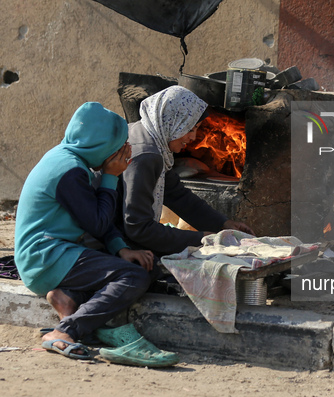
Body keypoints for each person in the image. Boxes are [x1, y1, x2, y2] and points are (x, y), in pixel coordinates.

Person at [15, 102, 155, 359]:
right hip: (44, 258)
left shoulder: (67, 157)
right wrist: (111, 176)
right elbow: (98, 223)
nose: (123, 152)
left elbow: (94, 218)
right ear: (101, 146)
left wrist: (120, 249)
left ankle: (66, 298)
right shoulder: (70, 171)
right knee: (134, 277)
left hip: (52, 254)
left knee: (116, 265)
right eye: (117, 147)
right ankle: (65, 331)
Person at [117, 85, 254, 256]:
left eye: (196, 129)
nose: (192, 138)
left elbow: (177, 195)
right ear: (172, 120)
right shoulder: (146, 155)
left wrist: (223, 224)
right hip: (112, 245)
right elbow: (138, 228)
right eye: (189, 129)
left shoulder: (149, 137)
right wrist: (201, 239)